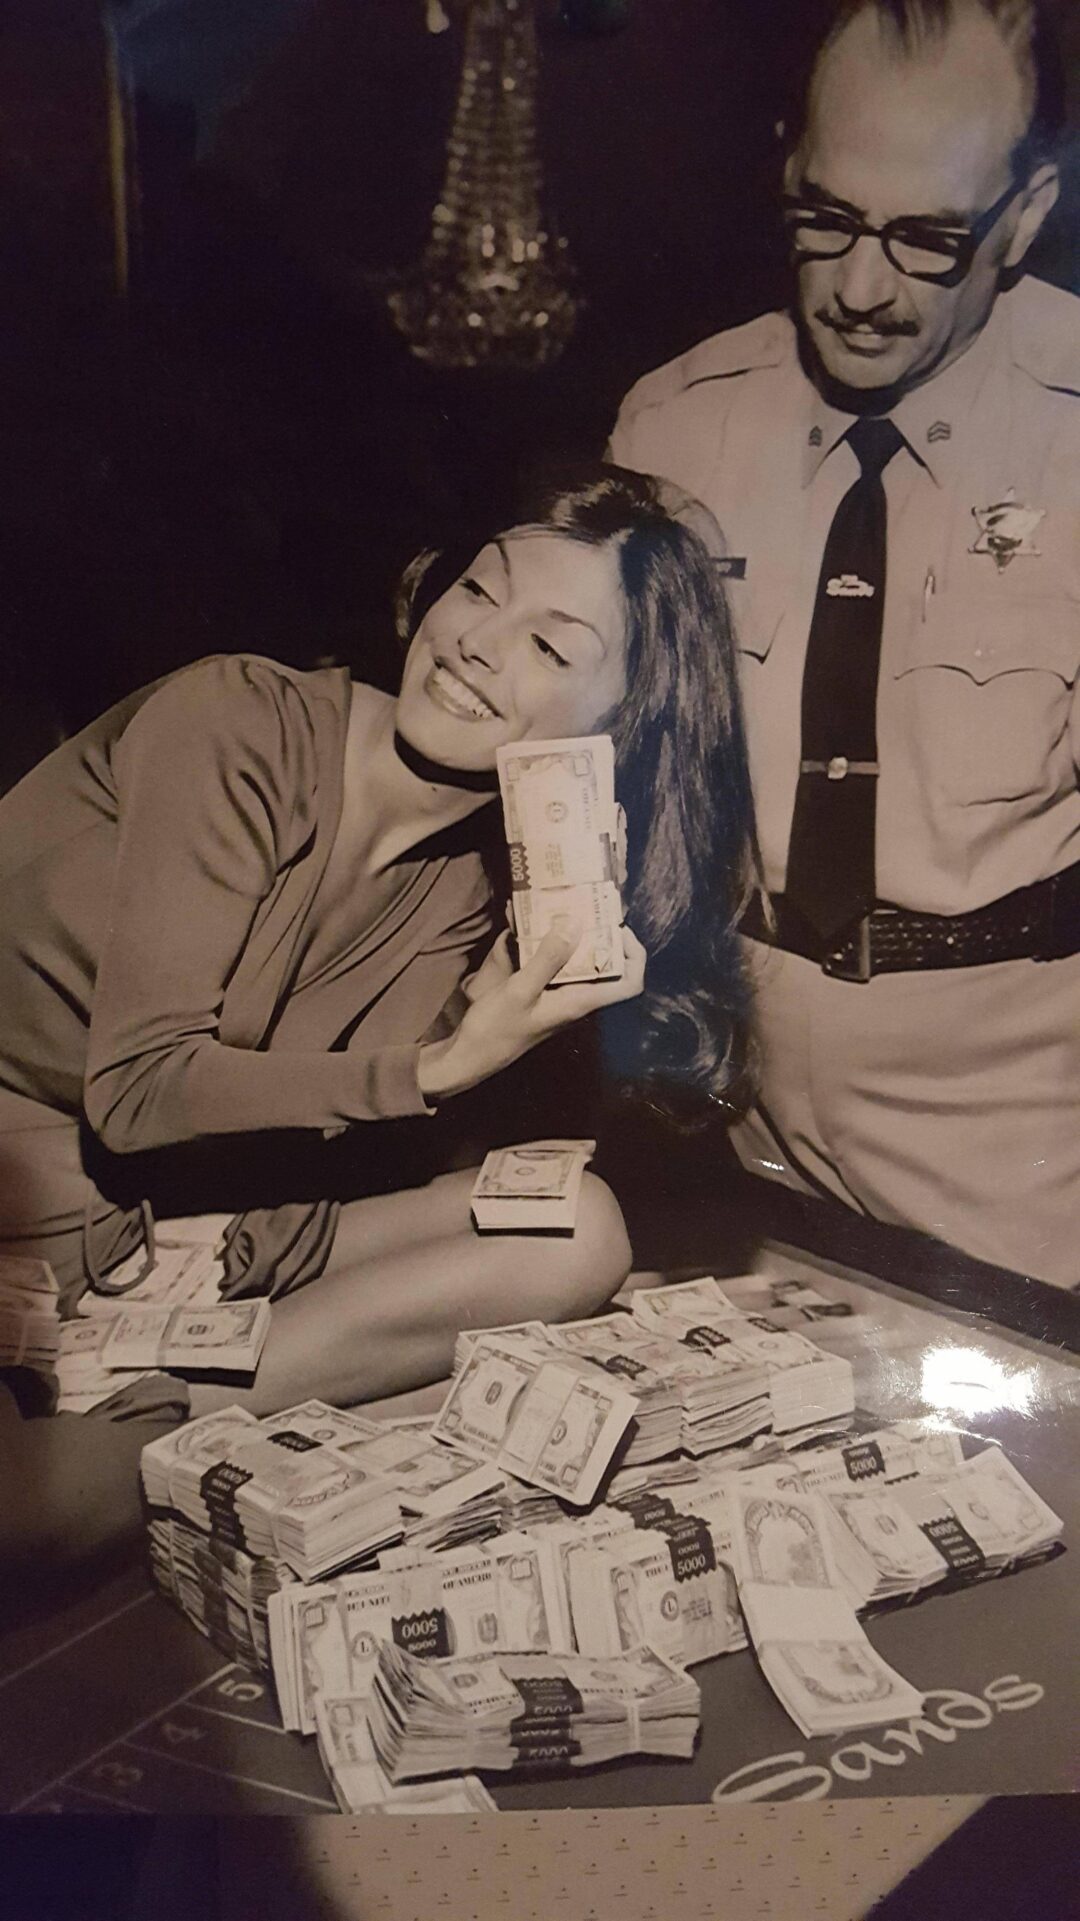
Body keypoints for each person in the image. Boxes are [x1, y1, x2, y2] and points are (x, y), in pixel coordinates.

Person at [0, 465, 756, 1428]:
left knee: (580, 1227)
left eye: (550, 648)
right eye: (479, 589)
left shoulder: (476, 875)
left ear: (620, 728)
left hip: (173, 1225)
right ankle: (118, 1438)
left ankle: (156, 1401)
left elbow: (326, 1117)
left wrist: (476, 1011)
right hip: (26, 1209)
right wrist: (446, 1061)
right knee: (38, 1530)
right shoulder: (235, 722)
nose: (476, 643)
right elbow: (140, 1091)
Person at [610, 0, 1080, 1286]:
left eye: (930, 239)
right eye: (827, 219)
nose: (862, 290)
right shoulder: (676, 425)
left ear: (1026, 217)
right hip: (728, 1130)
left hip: (1019, 1160)